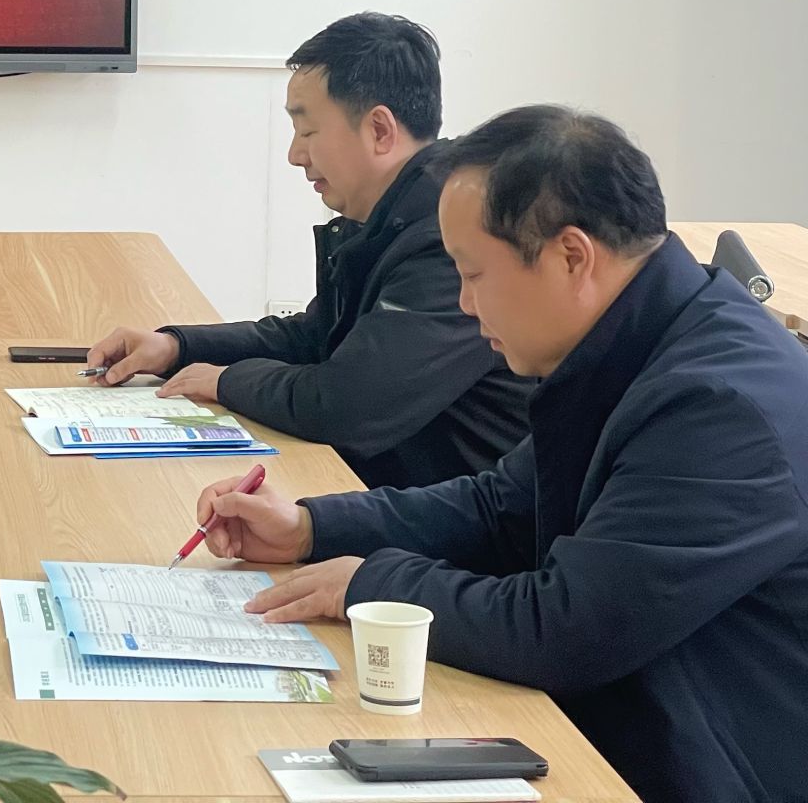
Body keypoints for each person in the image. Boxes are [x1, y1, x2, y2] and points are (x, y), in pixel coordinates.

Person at [195, 107, 808, 803]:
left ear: (572, 257)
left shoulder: (720, 407)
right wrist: (311, 527)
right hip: (628, 734)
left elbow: (567, 631)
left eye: (473, 273)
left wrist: (370, 585)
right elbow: (501, 507)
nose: (463, 302)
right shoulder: (642, 337)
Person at [86, 13, 530, 487]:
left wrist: (225, 381)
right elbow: (316, 337)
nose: (295, 155)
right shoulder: (392, 214)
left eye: (308, 131)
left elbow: (349, 405)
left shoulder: (450, 238)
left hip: (450, 516)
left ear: (380, 130)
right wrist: (177, 346)